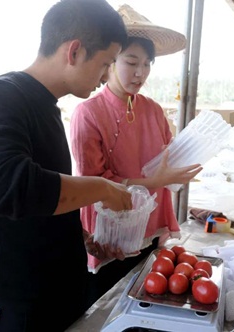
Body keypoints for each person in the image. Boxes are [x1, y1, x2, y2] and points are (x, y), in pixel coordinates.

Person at [0, 0, 132, 331]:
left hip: (55, 297)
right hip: (20, 310)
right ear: (74, 52)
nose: (106, 76)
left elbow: (37, 197)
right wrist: (101, 187)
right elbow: (3, 188)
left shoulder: (46, 106)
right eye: (105, 63)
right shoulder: (3, 97)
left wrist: (74, 235)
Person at [70, 4, 202, 307]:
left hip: (150, 225)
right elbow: (94, 183)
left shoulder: (153, 110)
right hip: (112, 233)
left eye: (147, 64)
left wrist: (186, 160)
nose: (140, 73)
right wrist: (156, 180)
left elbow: (170, 155)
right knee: (104, 305)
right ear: (110, 60)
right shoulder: (88, 113)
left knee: (144, 298)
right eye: (131, 62)